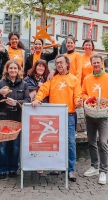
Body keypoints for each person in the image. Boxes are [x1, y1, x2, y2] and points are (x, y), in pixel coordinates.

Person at [32, 54, 83, 182]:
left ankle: (71, 169)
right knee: (54, 142)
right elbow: (43, 90)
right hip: (54, 116)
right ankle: (56, 166)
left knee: (70, 143)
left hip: (69, 115)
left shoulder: (74, 79)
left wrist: (78, 102)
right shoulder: (52, 79)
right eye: (57, 63)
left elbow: (77, 95)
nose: (59, 65)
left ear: (67, 64)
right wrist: (38, 99)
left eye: (61, 62)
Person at [82, 54, 108, 185]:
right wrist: (87, 99)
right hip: (90, 114)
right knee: (91, 141)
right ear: (91, 64)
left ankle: (103, 171)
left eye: (98, 62)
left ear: (102, 64)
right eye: (93, 63)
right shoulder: (87, 79)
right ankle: (94, 166)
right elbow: (83, 93)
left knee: (103, 143)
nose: (96, 65)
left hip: (103, 116)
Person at [0, 60, 30, 179]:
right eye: (10, 68)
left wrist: (16, 103)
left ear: (18, 70)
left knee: (15, 146)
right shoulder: (1, 83)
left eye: (15, 68)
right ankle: (2, 169)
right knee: (3, 146)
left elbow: (28, 100)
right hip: (3, 118)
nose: (13, 70)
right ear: (7, 70)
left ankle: (13, 169)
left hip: (17, 118)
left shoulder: (24, 84)